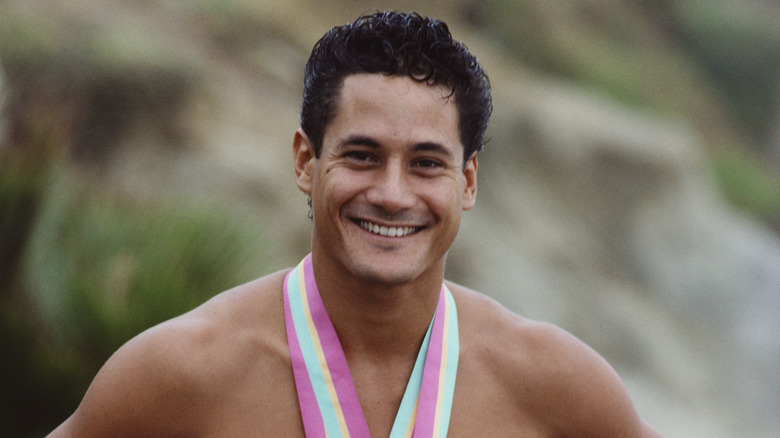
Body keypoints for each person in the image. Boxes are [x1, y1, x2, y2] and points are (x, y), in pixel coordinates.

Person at [50, 11, 662, 437]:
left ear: (468, 182)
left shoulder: (550, 382)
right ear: (305, 161)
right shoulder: (183, 370)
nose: (393, 195)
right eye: (362, 155)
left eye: (426, 163)